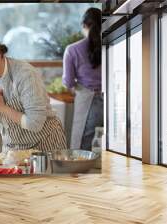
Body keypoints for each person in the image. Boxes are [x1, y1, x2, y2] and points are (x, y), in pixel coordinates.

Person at [0, 31, 67, 153]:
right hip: (13, 148)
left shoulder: (24, 74)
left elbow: (35, 124)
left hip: (44, 145)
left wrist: (0, 107)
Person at [62, 7, 103, 151]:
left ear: (84, 25)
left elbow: (68, 82)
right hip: (110, 102)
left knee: (82, 146)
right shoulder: (110, 45)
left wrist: (74, 88)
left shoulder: (72, 50)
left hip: (86, 101)